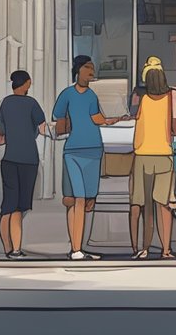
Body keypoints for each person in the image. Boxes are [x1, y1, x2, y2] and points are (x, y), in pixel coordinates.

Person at [54, 55, 126, 261]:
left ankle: (78, 247)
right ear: (78, 70)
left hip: (94, 150)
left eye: (92, 68)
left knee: (88, 201)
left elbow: (98, 119)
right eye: (88, 68)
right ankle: (76, 249)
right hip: (74, 151)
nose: (91, 72)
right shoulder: (67, 94)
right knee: (76, 199)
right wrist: (64, 130)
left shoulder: (92, 96)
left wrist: (117, 119)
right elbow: (59, 120)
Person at [129, 57, 176, 260]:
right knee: (164, 205)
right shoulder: (175, 97)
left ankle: (139, 249)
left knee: (139, 205)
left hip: (142, 155)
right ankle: (166, 250)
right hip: (164, 155)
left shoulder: (139, 97)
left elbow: (131, 115)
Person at [0, 70, 46, 259]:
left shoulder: (6, 103)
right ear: (27, 83)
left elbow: (1, 132)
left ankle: (8, 247)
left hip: (8, 160)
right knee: (19, 207)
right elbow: (42, 128)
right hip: (28, 159)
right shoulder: (31, 104)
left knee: (7, 206)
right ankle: (16, 249)